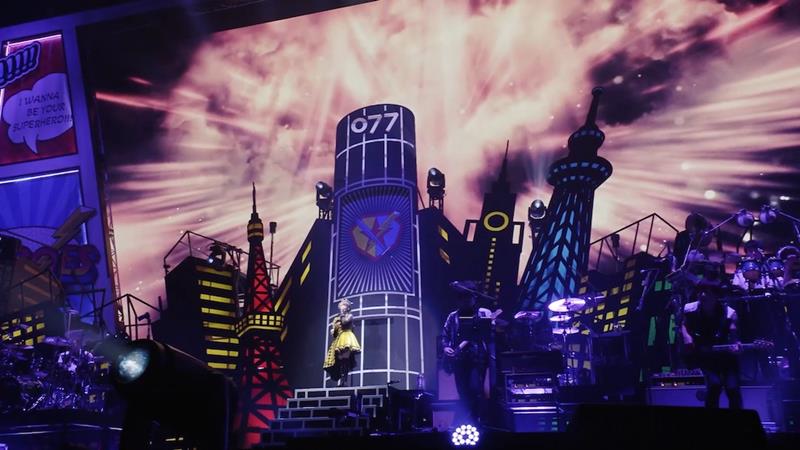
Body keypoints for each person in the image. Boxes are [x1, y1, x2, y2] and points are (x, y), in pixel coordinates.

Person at [680, 279, 743, 409]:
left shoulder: (729, 313)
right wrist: (687, 338)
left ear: (716, 296)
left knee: (732, 388)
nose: (702, 295)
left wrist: (735, 345)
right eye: (700, 292)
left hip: (725, 356)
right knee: (714, 385)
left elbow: (734, 335)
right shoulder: (690, 309)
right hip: (704, 356)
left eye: (707, 292)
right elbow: (683, 325)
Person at [441, 281, 492, 424]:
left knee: (475, 389)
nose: (465, 301)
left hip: (477, 358)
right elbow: (445, 334)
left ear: (474, 298)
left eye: (468, 298)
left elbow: (489, 333)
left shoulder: (482, 313)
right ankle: (466, 420)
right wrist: (446, 347)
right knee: (462, 391)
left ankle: (476, 420)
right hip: (459, 359)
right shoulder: (453, 316)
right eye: (462, 298)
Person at [323, 299, 361, 386]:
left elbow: (345, 322)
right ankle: (341, 380)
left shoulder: (349, 316)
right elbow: (335, 332)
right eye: (341, 307)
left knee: (345, 359)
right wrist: (334, 330)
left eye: (344, 307)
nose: (342, 309)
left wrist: (341, 317)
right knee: (339, 360)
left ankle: (344, 380)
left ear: (347, 308)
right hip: (339, 339)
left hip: (346, 338)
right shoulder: (337, 318)